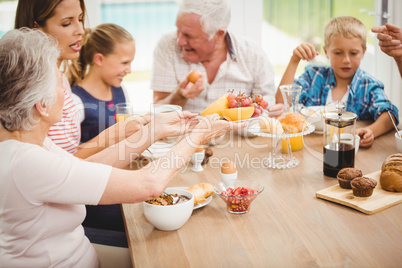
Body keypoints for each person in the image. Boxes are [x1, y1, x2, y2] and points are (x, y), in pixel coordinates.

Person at [0, 28, 242, 267]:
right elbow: (149, 185)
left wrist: (153, 130)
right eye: (59, 84)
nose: (66, 89)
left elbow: (85, 168)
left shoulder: (30, 143)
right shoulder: (27, 163)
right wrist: (196, 137)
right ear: (41, 105)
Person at [14, 0, 139, 159]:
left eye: (80, 19)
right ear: (36, 27)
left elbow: (67, 160)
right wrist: (112, 136)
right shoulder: (28, 90)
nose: (80, 30)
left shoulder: (62, 82)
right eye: (66, 23)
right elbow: (51, 166)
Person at [275, 16, 399, 148]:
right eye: (338, 53)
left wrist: (371, 131)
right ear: (326, 52)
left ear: (363, 52)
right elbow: (282, 102)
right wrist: (294, 60)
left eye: (353, 53)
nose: (346, 60)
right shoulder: (314, 76)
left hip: (351, 151)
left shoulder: (368, 85)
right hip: (311, 148)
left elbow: (390, 115)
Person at [151, 0, 280, 114]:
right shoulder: (167, 45)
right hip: (185, 139)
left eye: (188, 35)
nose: (180, 41)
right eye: (178, 30)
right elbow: (157, 110)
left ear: (219, 35)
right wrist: (180, 95)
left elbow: (265, 109)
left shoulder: (253, 55)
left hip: (238, 137)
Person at [70, 23, 134, 144]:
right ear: (99, 59)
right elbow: (70, 154)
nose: (129, 70)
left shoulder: (121, 91)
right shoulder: (75, 100)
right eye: (124, 63)